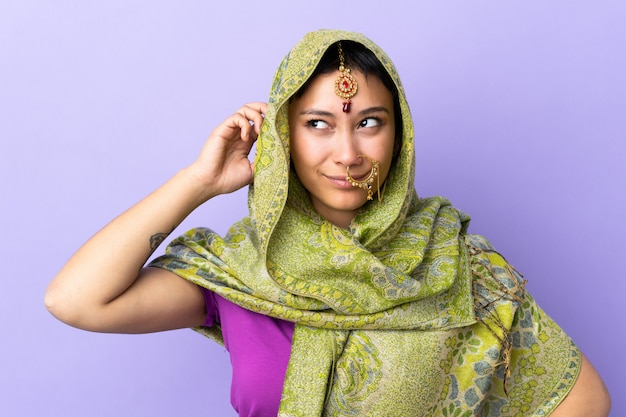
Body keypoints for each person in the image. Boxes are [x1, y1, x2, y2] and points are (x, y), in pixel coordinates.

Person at [45, 29, 611, 416]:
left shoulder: (456, 266)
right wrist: (198, 182)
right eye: (318, 123)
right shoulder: (244, 270)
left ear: (400, 137)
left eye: (369, 122)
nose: (348, 153)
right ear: (282, 136)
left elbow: (585, 401)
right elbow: (75, 300)